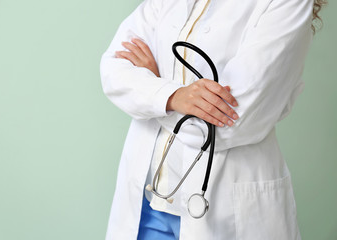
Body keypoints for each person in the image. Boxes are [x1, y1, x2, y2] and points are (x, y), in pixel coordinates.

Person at [100, 0, 326, 239]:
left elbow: (233, 119)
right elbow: (114, 70)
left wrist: (156, 93)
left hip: (224, 212)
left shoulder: (288, 3)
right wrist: (173, 96)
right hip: (149, 207)